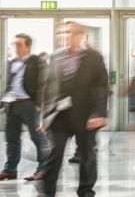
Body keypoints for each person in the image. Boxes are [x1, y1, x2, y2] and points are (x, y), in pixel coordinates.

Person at [38, 22, 109, 197]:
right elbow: (48, 87)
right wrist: (45, 117)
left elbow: (102, 86)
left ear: (80, 35)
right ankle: (47, 193)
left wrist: (99, 113)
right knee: (54, 154)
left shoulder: (94, 57)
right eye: (62, 33)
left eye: (69, 32)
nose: (65, 36)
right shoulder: (55, 57)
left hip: (86, 116)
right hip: (59, 116)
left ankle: (85, 191)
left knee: (87, 155)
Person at [2, 33, 48, 182]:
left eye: (20, 44)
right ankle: (10, 170)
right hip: (13, 104)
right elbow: (9, 86)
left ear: (28, 46)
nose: (16, 47)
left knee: (38, 138)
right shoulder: (11, 62)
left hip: (29, 104)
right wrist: (3, 104)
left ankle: (43, 170)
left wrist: (38, 103)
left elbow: (43, 82)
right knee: (12, 138)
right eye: (14, 44)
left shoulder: (36, 61)